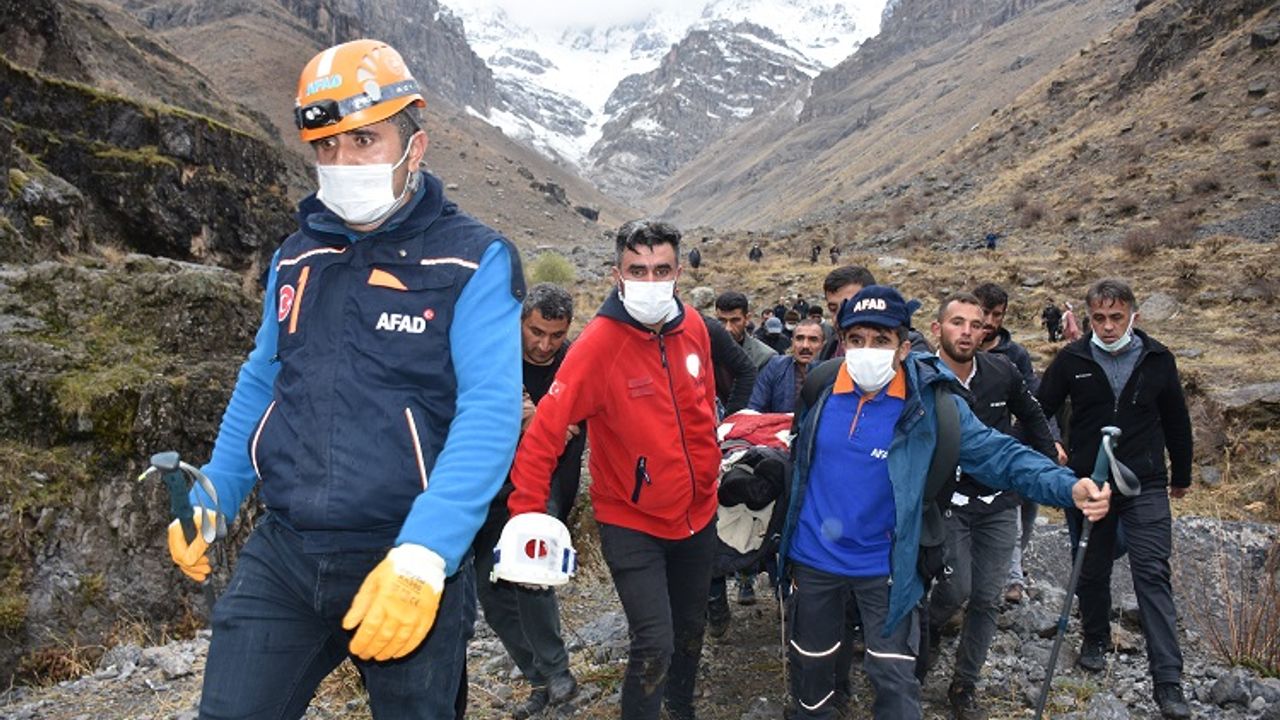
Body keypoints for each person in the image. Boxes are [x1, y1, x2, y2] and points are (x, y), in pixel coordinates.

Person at [164, 39, 523, 719]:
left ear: (415, 147)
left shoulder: (474, 260)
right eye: (326, 146)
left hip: (405, 550)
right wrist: (216, 492)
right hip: (286, 551)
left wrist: (427, 552)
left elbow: (489, 410)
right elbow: (264, 380)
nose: (342, 162)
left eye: (364, 140)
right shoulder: (295, 256)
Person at [778, 285, 1111, 720]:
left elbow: (999, 454)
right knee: (811, 671)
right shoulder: (821, 389)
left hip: (888, 567)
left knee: (895, 680)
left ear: (904, 347)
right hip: (814, 561)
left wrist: (1067, 486)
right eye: (856, 339)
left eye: (881, 340)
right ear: (841, 342)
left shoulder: (930, 405)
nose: (867, 351)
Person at [508, 220, 720, 720]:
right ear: (616, 274)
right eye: (637, 270)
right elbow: (544, 434)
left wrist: (712, 465)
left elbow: (704, 401)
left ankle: (681, 709)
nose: (651, 280)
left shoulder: (693, 327)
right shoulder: (597, 346)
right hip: (631, 519)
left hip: (698, 514)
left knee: (690, 630)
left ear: (679, 272)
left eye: (661, 270)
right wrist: (527, 516)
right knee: (655, 643)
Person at [1036, 279, 1194, 719]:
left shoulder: (1157, 358)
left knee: (1152, 572)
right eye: (1099, 318)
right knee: (1091, 565)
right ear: (1089, 318)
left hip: (1145, 481)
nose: (1107, 327)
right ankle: (1095, 639)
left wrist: (1181, 474)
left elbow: (1176, 419)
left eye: (1116, 318)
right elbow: (1038, 408)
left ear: (1133, 317)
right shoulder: (1072, 359)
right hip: (1089, 482)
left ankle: (1168, 681)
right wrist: (1051, 448)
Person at [924, 293, 1058, 719]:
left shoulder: (1002, 371)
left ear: (986, 331)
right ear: (937, 329)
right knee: (955, 589)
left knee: (987, 598)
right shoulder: (921, 376)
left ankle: (964, 685)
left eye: (976, 324)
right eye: (957, 322)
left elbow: (1033, 415)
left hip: (998, 501)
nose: (967, 332)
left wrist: (1049, 467)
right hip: (944, 501)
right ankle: (924, 637)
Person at [472, 284, 581, 719]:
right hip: (488, 483)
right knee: (491, 591)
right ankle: (539, 680)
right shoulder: (496, 353)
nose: (544, 345)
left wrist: (540, 419)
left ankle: (557, 672)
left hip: (545, 481)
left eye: (556, 335)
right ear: (520, 321)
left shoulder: (576, 362)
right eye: (536, 332)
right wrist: (544, 419)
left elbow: (571, 426)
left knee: (531, 572)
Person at [748, 317, 823, 414]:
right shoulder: (775, 367)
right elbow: (755, 406)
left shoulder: (831, 373)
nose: (805, 346)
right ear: (792, 342)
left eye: (813, 340)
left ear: (822, 344)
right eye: (799, 339)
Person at [715, 291, 778, 371]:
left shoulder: (763, 357)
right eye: (722, 320)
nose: (728, 328)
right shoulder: (706, 350)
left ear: (747, 319)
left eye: (735, 320)